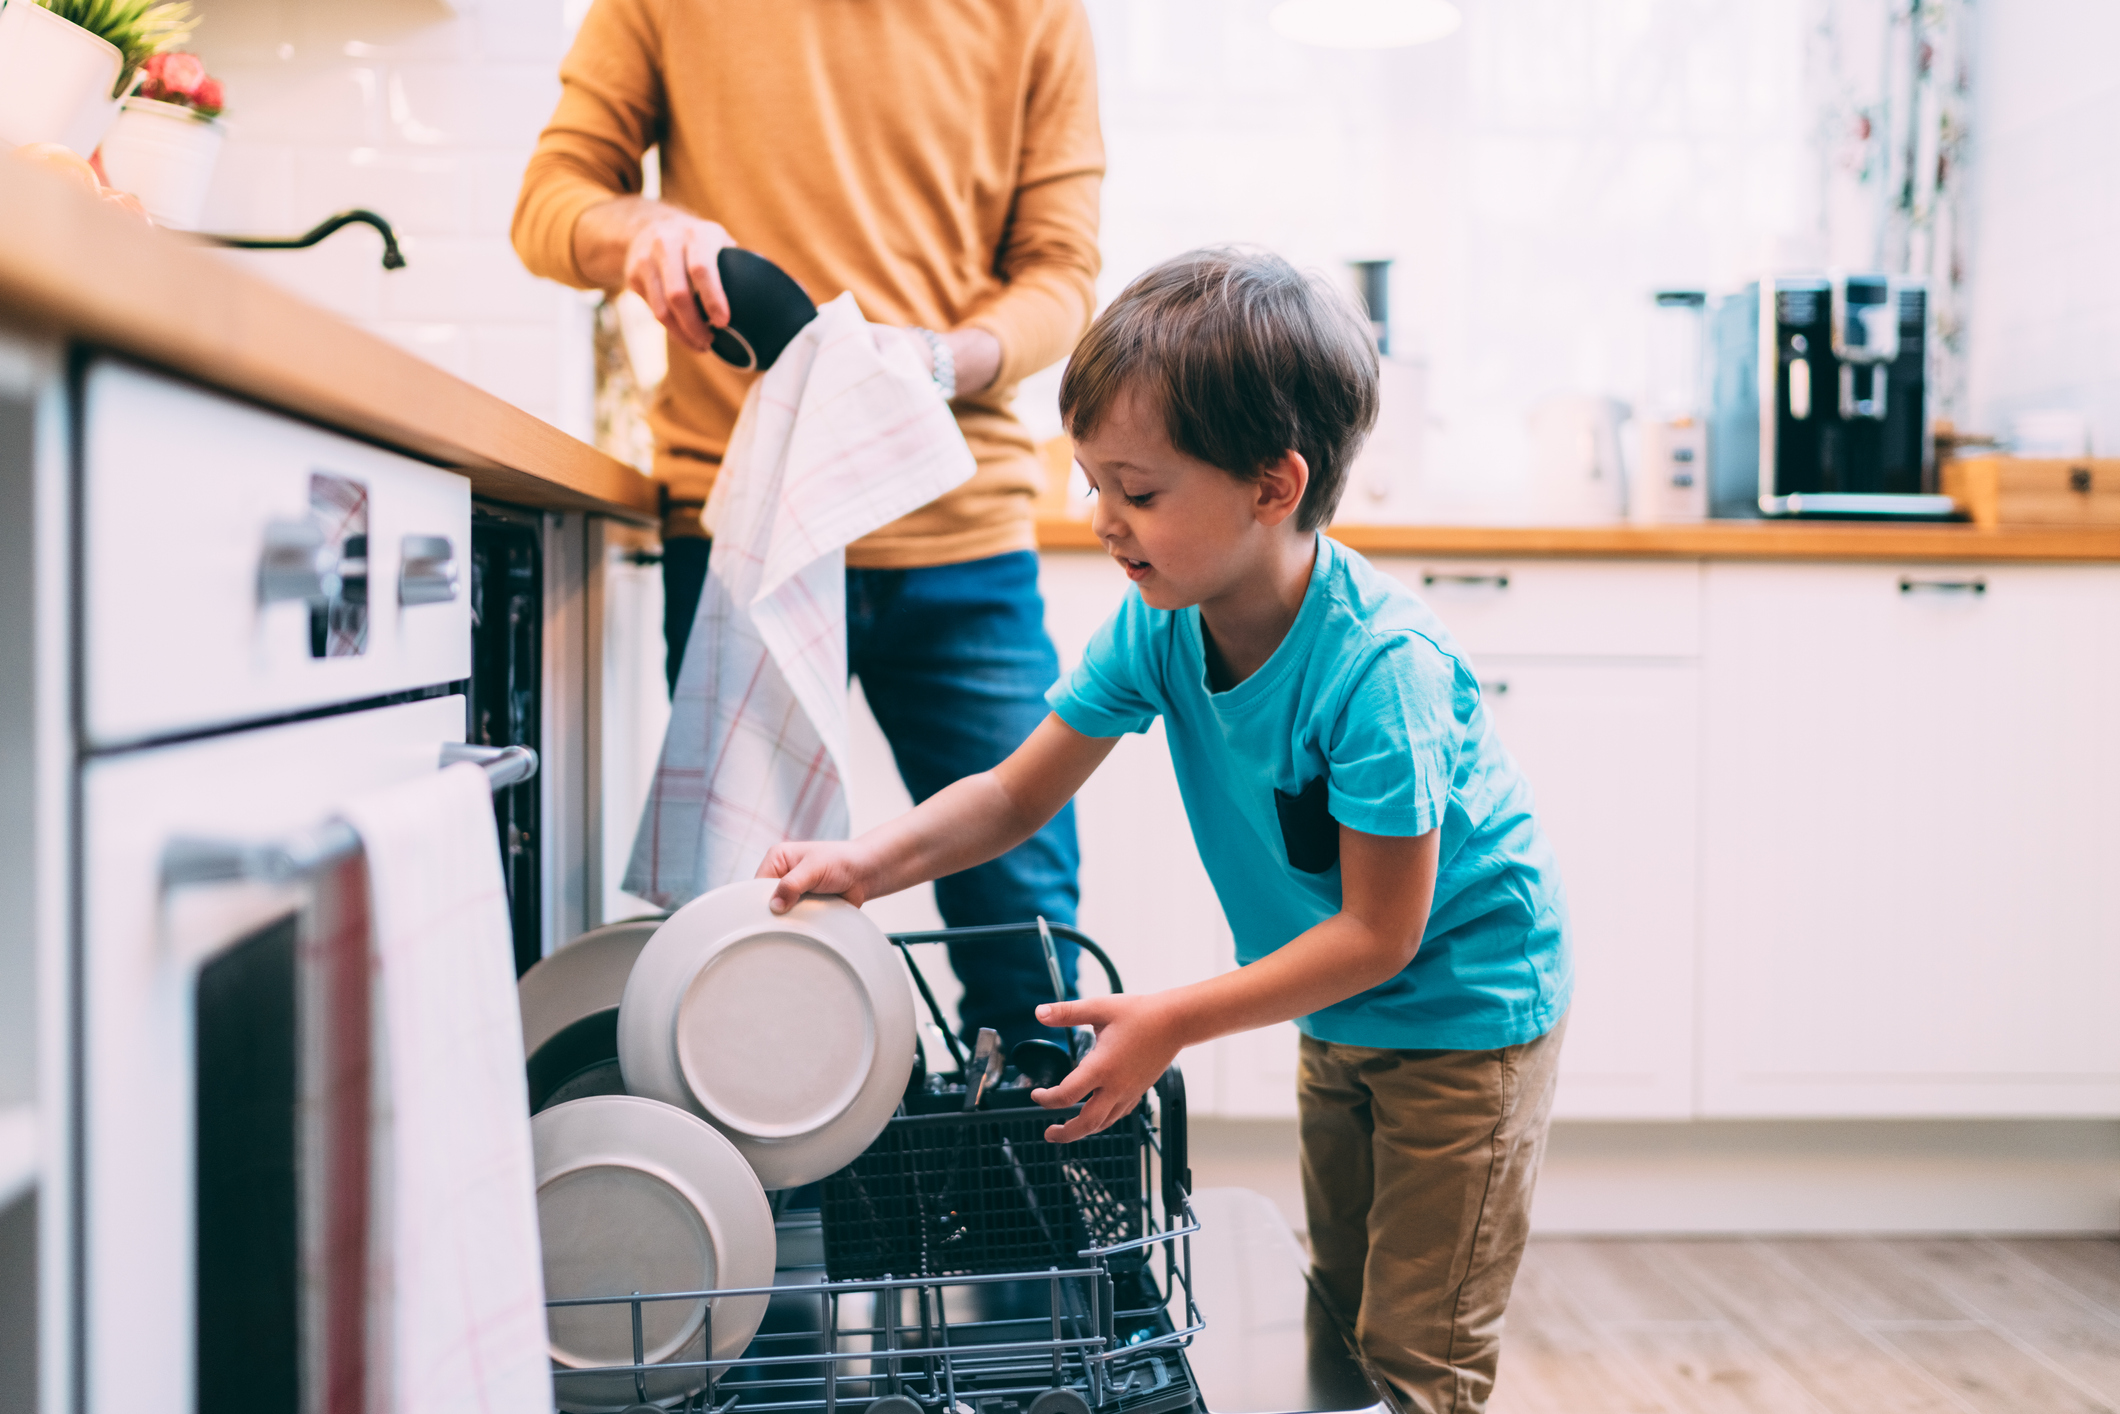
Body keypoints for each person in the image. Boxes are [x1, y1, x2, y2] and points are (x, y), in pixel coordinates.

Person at [755, 248, 1574, 1413]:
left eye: (1136, 492)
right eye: (1093, 484)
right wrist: (863, 863)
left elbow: (1381, 934)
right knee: (1338, 1324)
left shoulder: (1378, 674)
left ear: (1271, 487)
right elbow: (1009, 796)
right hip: (1338, 1012)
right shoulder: (1160, 625)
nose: (1102, 521)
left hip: (1463, 1021)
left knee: (1415, 1354)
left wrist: (1171, 1021)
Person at [511, 2, 1104, 1046]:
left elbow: (1060, 274)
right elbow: (549, 205)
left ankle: (1035, 1199)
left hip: (958, 533)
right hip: (748, 532)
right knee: (744, 926)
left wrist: (935, 361)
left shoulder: (1035, 13)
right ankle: (763, 1209)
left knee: (1029, 945)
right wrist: (641, 229)